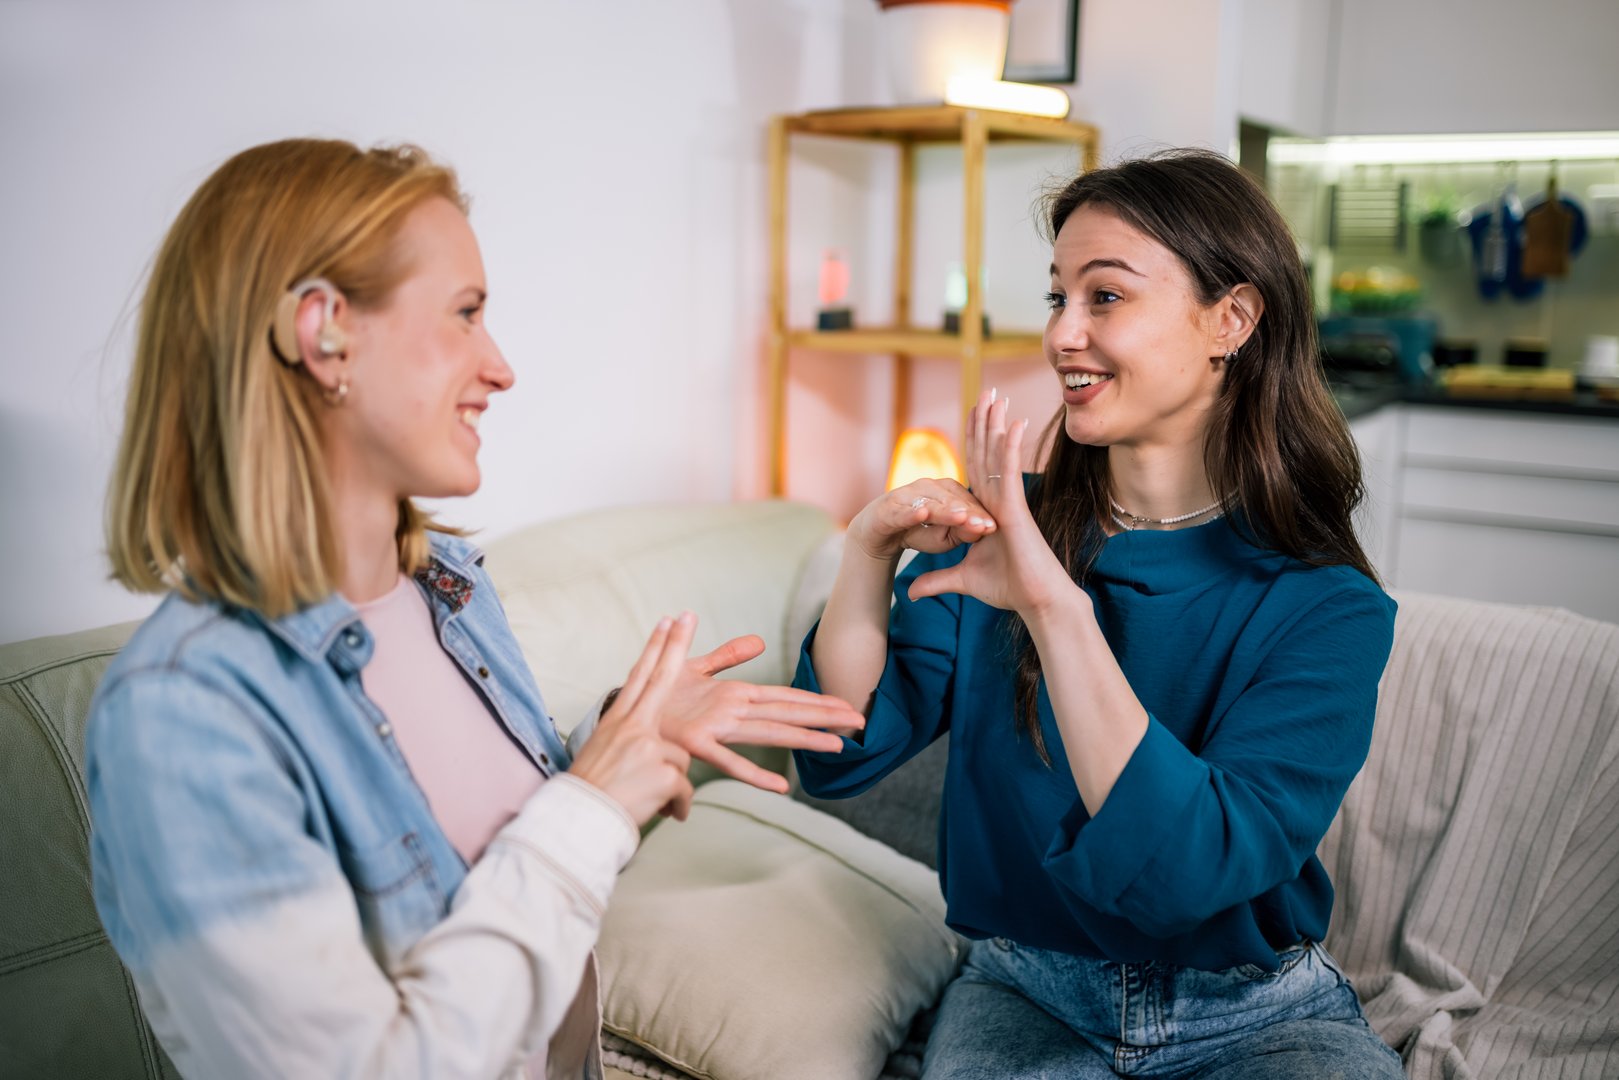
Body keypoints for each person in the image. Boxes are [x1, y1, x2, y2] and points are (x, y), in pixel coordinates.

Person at [86, 137, 863, 1080]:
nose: (500, 368)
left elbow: (489, 864)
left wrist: (628, 739)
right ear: (323, 330)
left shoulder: (446, 590)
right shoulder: (185, 713)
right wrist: (593, 799)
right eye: (464, 315)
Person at [793, 149, 1406, 1078]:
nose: (1062, 335)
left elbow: (1188, 870)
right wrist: (866, 552)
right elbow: (838, 751)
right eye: (1056, 298)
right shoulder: (1000, 529)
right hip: (1025, 997)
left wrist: (1048, 602)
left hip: (1256, 1017)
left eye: (1105, 297)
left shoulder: (1327, 607)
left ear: (1230, 320)